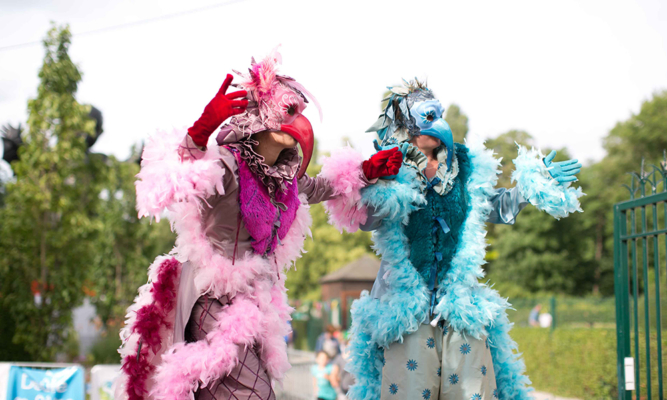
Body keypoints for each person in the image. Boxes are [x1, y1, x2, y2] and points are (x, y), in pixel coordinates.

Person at [114, 48, 402, 400]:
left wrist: (366, 170)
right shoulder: (228, 166)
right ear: (259, 116)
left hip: (255, 303)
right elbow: (182, 179)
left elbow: (322, 187)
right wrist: (199, 132)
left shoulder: (286, 181)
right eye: (288, 110)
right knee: (252, 394)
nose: (298, 123)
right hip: (213, 297)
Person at [328, 80, 584, 400]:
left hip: (459, 307)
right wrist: (372, 180)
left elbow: (496, 205)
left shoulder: (465, 169)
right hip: (407, 310)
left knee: (470, 393)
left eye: (439, 113)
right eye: (427, 116)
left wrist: (533, 186)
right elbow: (367, 219)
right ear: (406, 124)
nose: (438, 122)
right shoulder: (390, 170)